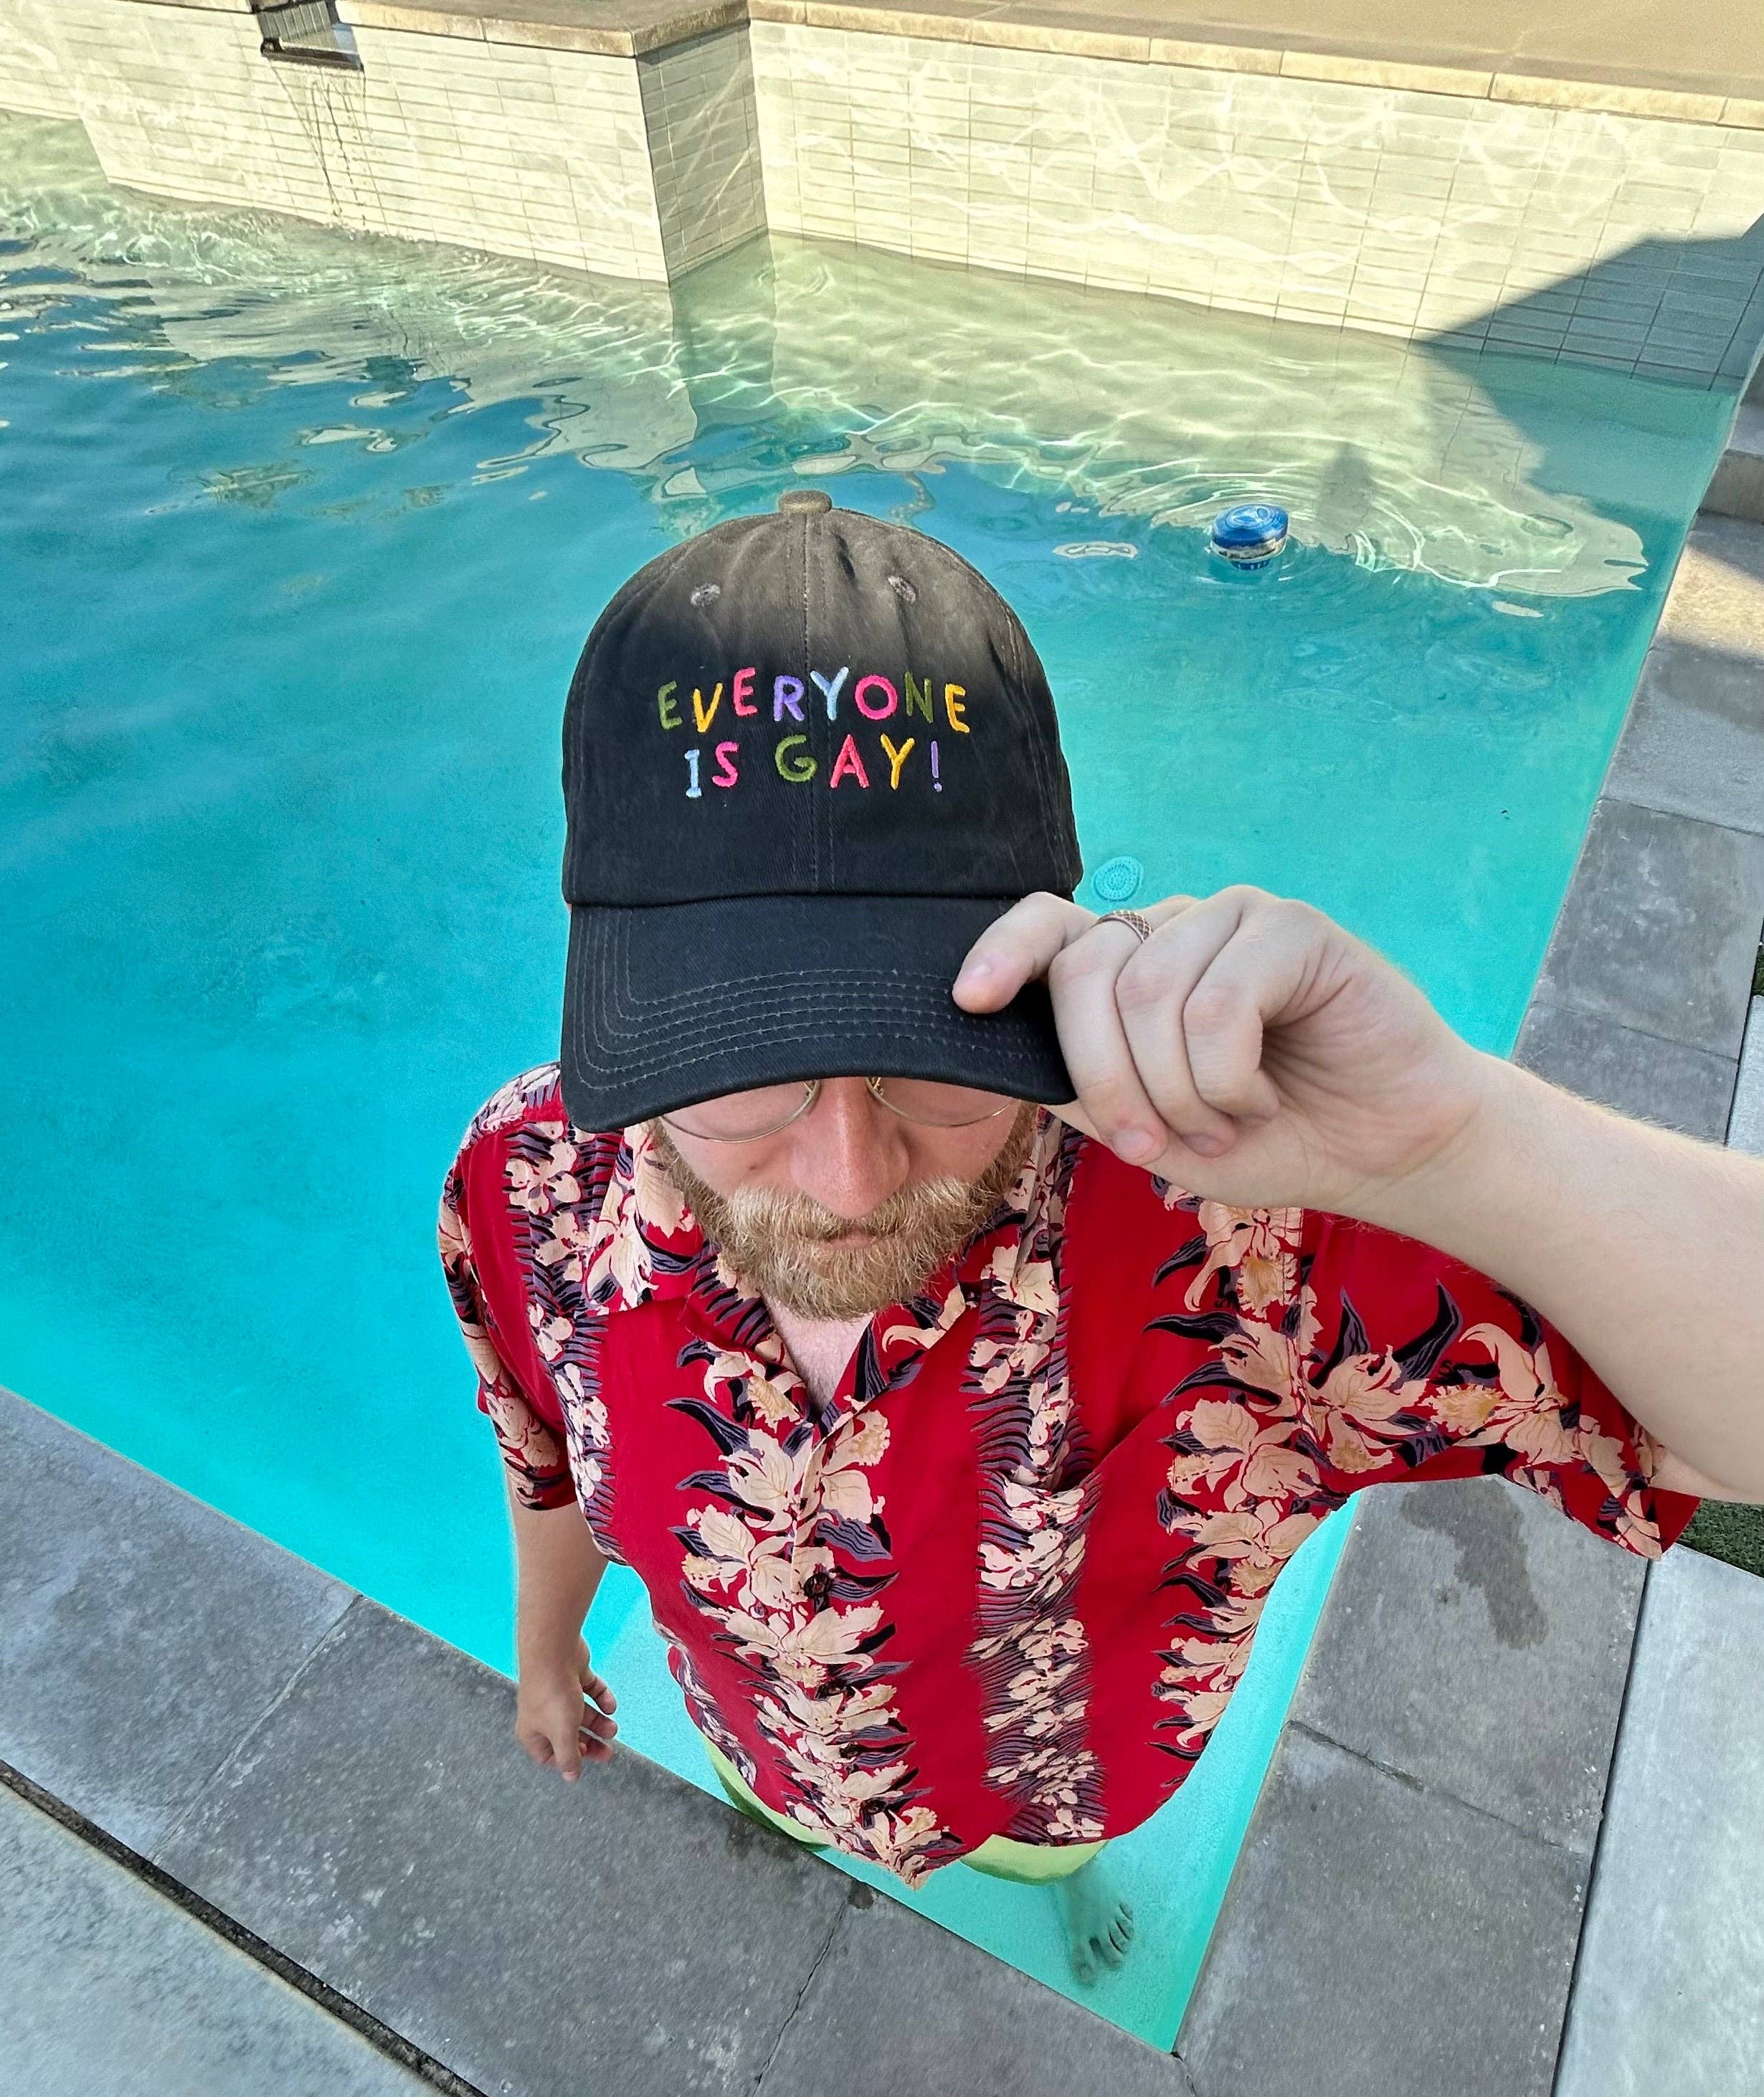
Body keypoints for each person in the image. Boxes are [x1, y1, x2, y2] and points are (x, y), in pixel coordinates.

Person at [440, 490, 1763, 1987]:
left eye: (928, 1052)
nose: (852, 1169)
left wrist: (1460, 1140)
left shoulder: (1227, 1234)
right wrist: (545, 1648)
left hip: (1061, 1788)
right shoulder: (532, 1181)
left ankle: (1061, 1891)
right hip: (764, 1742)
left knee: (1056, 1859)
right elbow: (541, 1444)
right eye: (754, 1061)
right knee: (787, 1816)